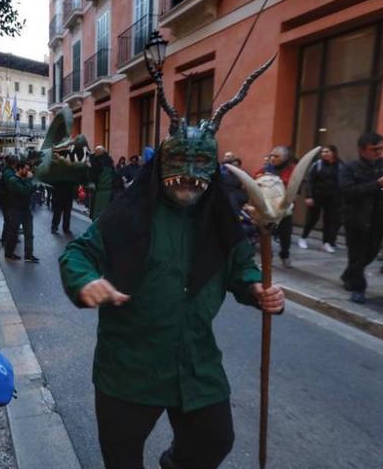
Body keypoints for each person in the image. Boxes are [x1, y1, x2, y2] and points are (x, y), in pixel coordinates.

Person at [59, 125, 284, 469]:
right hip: (129, 367)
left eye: (200, 164)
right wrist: (85, 281)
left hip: (196, 362)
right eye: (179, 161)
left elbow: (241, 267)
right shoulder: (127, 214)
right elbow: (78, 252)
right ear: (162, 164)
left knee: (215, 440)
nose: (189, 177)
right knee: (122, 458)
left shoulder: (220, 219)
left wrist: (256, 289)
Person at [340, 132, 383, 304]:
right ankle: (359, 288)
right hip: (356, 218)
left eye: (382, 148)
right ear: (362, 150)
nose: (379, 152)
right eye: (374, 149)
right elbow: (347, 191)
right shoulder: (350, 168)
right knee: (357, 255)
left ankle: (348, 274)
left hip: (379, 218)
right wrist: (377, 184)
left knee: (371, 254)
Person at [255, 146, 296, 268]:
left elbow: (293, 186)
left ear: (285, 158)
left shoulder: (291, 170)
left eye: (276, 156)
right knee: (265, 234)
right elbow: (256, 180)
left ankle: (285, 254)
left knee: (285, 234)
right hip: (267, 209)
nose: (272, 158)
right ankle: (268, 257)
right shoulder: (264, 169)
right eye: (271, 155)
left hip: (283, 208)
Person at [299, 145, 343, 253]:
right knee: (312, 219)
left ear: (333, 153)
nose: (324, 154)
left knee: (330, 221)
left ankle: (326, 243)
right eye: (323, 152)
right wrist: (309, 196)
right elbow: (310, 181)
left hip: (333, 198)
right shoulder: (317, 165)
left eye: (327, 151)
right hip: (317, 196)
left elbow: (342, 181)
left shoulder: (340, 165)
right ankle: (303, 238)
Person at [4, 160, 39, 262]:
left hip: (25, 210)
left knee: (29, 233)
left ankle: (29, 255)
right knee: (13, 233)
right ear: (20, 169)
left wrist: (33, 183)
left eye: (28, 169)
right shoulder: (13, 180)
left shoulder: (23, 179)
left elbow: (30, 190)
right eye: (26, 169)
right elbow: (24, 191)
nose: (28, 171)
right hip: (15, 210)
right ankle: (9, 253)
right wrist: (29, 180)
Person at [89, 146, 115, 219]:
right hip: (109, 191)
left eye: (96, 152)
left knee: (97, 214)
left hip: (99, 190)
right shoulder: (109, 162)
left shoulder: (95, 162)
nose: (94, 153)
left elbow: (92, 176)